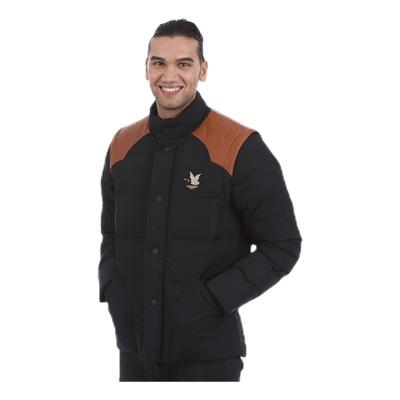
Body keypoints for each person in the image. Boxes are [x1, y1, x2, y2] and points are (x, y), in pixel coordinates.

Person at [97, 16, 304, 384]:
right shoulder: (122, 145)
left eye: (183, 63)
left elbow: (284, 244)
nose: (169, 75)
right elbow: (110, 235)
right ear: (145, 70)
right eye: (159, 63)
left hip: (207, 356)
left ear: (204, 70)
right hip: (133, 353)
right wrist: (112, 289)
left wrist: (212, 301)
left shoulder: (239, 146)